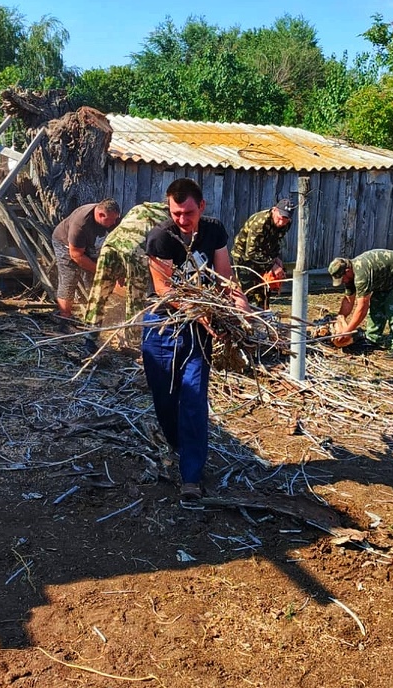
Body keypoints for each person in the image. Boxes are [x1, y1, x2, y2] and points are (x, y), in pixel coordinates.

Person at [142, 178, 249, 503]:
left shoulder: (214, 231)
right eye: (176, 213)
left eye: (188, 212)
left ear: (201, 206)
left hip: (199, 331)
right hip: (163, 326)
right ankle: (176, 444)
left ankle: (191, 475)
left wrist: (238, 299)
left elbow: (225, 276)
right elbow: (164, 289)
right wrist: (195, 308)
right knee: (166, 399)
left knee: (193, 399)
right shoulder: (161, 237)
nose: (182, 220)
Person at [84, 201, 169, 341]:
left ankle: (90, 334)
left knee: (99, 290)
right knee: (136, 298)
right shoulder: (169, 219)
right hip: (135, 251)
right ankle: (133, 341)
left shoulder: (140, 207)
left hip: (111, 244)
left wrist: (121, 270)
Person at [328, 250, 393, 359]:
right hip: (386, 278)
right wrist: (338, 320)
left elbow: (362, 308)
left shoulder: (361, 274)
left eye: (342, 278)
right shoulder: (350, 276)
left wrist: (348, 331)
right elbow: (348, 301)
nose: (343, 281)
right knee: (376, 303)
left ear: (347, 271)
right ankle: (373, 339)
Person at [52, 199, 121, 318]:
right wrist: (101, 271)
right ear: (100, 215)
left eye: (115, 219)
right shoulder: (81, 224)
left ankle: (93, 310)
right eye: (111, 220)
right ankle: (64, 316)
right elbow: (76, 255)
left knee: (93, 277)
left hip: (89, 244)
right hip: (66, 244)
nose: (114, 222)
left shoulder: (112, 217)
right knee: (69, 278)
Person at [231, 198, 294, 308]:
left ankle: (263, 318)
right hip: (244, 257)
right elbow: (251, 252)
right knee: (247, 292)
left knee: (264, 291)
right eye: (281, 217)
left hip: (264, 256)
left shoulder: (286, 224)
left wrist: (276, 258)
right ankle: (242, 319)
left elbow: (275, 242)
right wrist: (272, 264)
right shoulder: (260, 223)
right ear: (274, 210)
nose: (282, 222)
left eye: (286, 218)